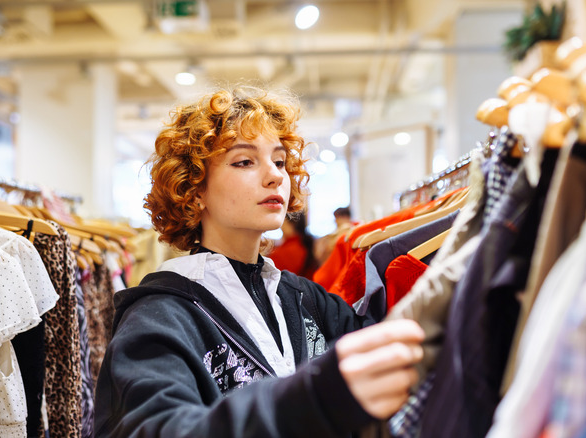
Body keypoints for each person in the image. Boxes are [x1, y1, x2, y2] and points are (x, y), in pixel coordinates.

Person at [94, 85, 424, 438]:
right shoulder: (159, 318)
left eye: (279, 161)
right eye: (244, 161)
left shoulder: (304, 298)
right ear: (194, 188)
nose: (276, 176)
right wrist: (313, 400)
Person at [268, 213, 318, 279]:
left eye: (283, 222)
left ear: (291, 224)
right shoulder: (307, 246)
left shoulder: (281, 253)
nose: (281, 227)